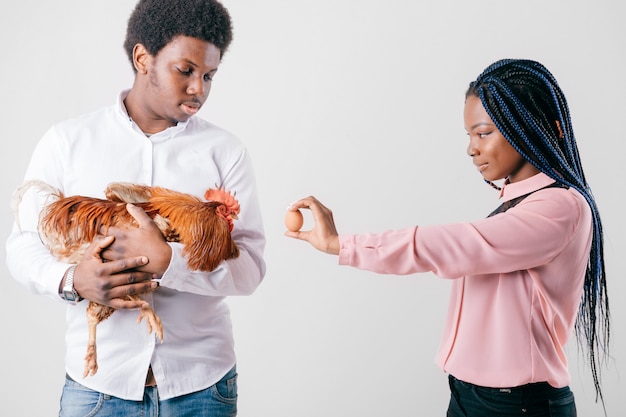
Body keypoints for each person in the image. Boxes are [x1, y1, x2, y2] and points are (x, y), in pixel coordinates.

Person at [285, 59, 609, 416]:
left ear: (540, 128)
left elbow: (456, 245)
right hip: (472, 396)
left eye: (484, 133)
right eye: (470, 135)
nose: (472, 148)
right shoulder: (520, 205)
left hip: (517, 404)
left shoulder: (561, 207)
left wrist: (342, 245)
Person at [6, 0, 266, 416]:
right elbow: (21, 246)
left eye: (209, 75)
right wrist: (74, 279)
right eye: (185, 70)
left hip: (202, 386)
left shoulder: (225, 151)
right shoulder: (68, 141)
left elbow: (250, 269)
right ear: (143, 58)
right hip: (98, 387)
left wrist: (170, 261)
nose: (199, 88)